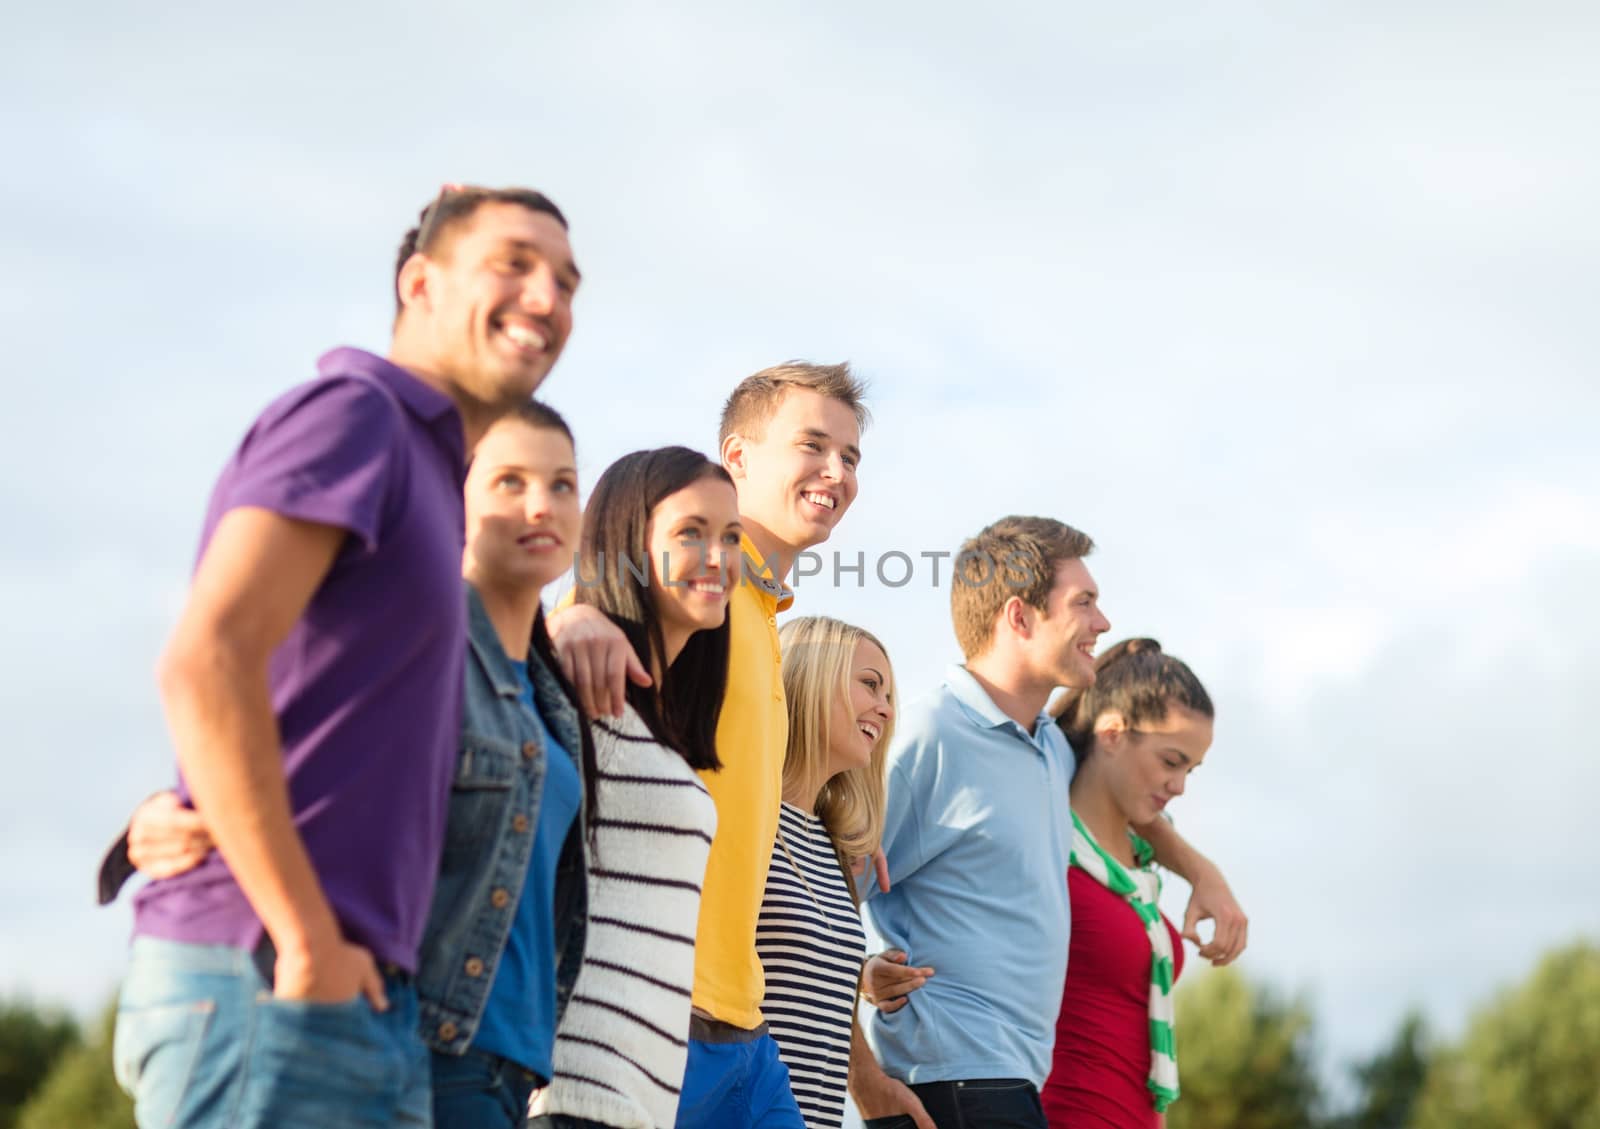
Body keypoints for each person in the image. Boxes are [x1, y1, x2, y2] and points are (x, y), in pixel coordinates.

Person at [110, 185, 580, 1129]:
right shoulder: (355, 415)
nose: (547, 298)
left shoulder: (424, 470)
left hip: (359, 995)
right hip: (266, 975)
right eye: (513, 263)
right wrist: (304, 935)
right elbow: (206, 661)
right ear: (419, 281)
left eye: (566, 281)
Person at [548, 363, 883, 1129]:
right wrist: (567, 622)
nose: (837, 471)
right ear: (737, 455)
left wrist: (842, 825)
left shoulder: (763, 618)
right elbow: (569, 635)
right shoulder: (692, 592)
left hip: (745, 1023)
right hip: (647, 1014)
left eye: (852, 456)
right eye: (813, 444)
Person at [855, 517, 1247, 1129]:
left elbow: (1127, 802)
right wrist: (867, 1073)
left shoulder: (1050, 750)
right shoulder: (931, 737)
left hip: (1007, 1087)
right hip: (951, 1085)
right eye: (1084, 603)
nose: (1103, 622)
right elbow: (811, 904)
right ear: (1020, 617)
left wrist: (1204, 874)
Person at [531, 446, 737, 1129]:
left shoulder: (661, 727)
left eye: (731, 537)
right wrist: (565, 619)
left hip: (641, 1106)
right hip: (569, 1093)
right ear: (626, 541)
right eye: (690, 532)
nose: (719, 555)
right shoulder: (581, 686)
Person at [1040, 638, 1214, 1127]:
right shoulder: (1047, 845)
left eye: (1191, 769)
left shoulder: (1138, 871)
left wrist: (1204, 873)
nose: (1180, 785)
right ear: (1113, 734)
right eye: (1171, 761)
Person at [755, 616, 898, 1129]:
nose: (884, 707)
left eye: (887, 693)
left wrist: (861, 972)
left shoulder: (833, 846)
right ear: (812, 678)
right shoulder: (749, 819)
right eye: (869, 684)